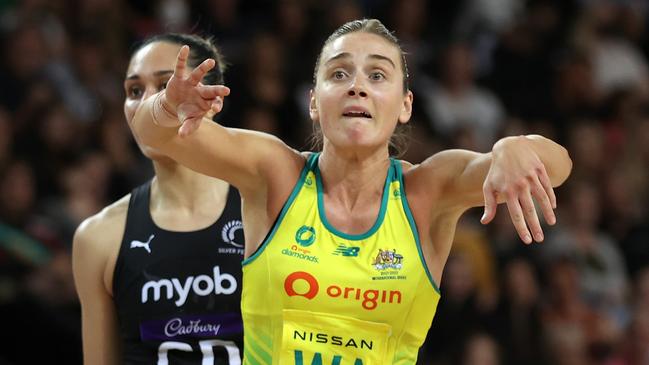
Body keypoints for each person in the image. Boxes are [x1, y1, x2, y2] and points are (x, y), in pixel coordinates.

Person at [132, 19, 572, 365]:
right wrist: (167, 106)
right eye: (339, 72)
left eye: (377, 74)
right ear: (313, 101)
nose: (357, 85)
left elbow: (557, 167)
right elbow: (155, 135)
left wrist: (516, 146)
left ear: (405, 105)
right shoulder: (274, 171)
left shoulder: (427, 190)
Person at [72, 34, 244, 365]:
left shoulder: (266, 209)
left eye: (167, 85)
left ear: (213, 100)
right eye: (135, 91)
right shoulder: (98, 237)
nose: (150, 103)